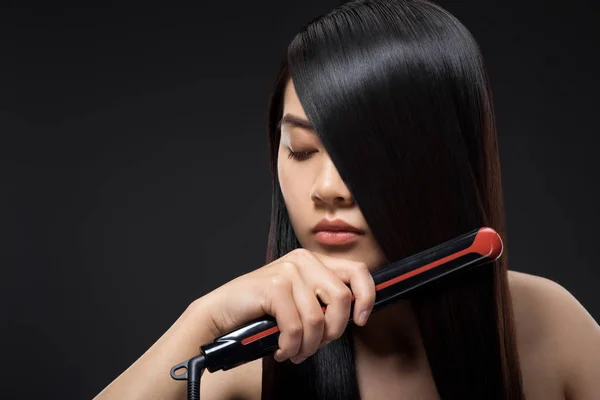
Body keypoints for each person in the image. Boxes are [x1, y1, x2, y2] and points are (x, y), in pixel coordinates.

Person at [94, 0, 600, 399]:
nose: (328, 187)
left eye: (367, 153)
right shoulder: (250, 364)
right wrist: (201, 321)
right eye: (302, 149)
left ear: (445, 161)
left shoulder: (550, 325)